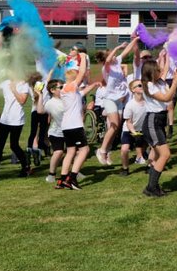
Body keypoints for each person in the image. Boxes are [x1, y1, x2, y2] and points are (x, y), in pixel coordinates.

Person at [138, 57, 177, 197]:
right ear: (151, 72)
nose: (160, 71)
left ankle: (152, 186)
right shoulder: (149, 85)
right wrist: (175, 82)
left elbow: (169, 92)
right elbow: (166, 98)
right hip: (152, 121)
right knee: (165, 154)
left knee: (159, 154)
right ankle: (151, 187)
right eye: (157, 70)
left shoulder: (159, 82)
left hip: (159, 120)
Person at [56, 51, 95, 191]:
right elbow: (82, 72)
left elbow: (82, 93)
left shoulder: (68, 91)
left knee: (71, 151)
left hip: (66, 126)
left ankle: (61, 180)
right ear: (74, 79)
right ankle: (72, 178)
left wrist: (95, 84)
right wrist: (84, 57)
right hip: (75, 125)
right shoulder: (72, 87)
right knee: (85, 149)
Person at [95, 40, 133, 166]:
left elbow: (127, 51)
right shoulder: (106, 68)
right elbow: (107, 60)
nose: (113, 56)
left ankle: (107, 151)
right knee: (114, 124)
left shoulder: (117, 62)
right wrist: (117, 47)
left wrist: (136, 39)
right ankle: (101, 150)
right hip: (110, 99)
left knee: (116, 128)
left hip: (119, 100)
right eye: (111, 54)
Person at [0, 74, 31, 180]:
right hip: (5, 119)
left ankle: (26, 167)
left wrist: (14, 89)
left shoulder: (23, 84)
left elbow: (22, 100)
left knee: (14, 145)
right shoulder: (5, 82)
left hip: (17, 120)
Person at [119, 79, 149, 177]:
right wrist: (134, 133)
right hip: (129, 129)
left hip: (143, 129)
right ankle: (125, 168)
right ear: (133, 90)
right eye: (139, 85)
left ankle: (150, 166)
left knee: (155, 146)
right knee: (124, 149)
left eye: (143, 85)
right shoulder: (130, 105)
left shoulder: (148, 102)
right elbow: (128, 122)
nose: (142, 87)